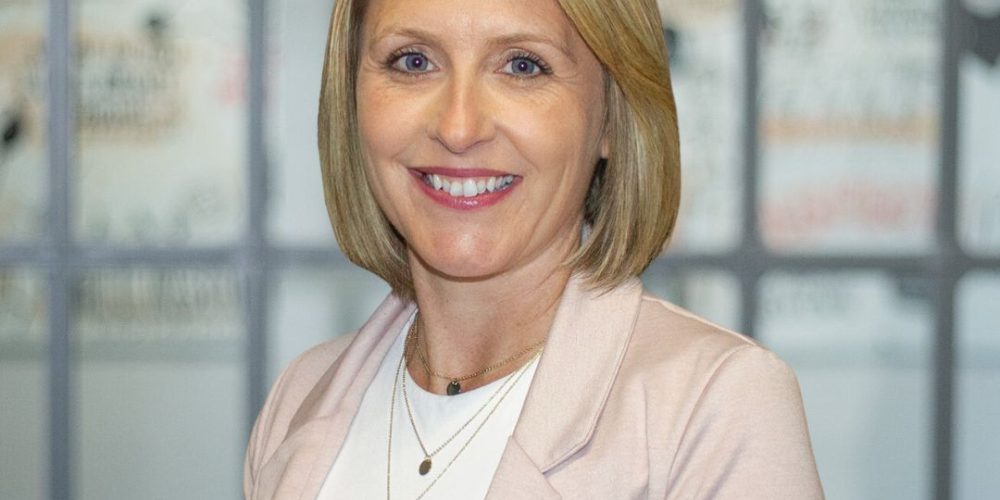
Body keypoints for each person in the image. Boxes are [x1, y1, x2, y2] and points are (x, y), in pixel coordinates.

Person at [244, 0, 824, 498]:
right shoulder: (299, 397)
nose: (459, 127)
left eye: (523, 65)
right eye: (413, 61)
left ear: (611, 118)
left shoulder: (717, 403)